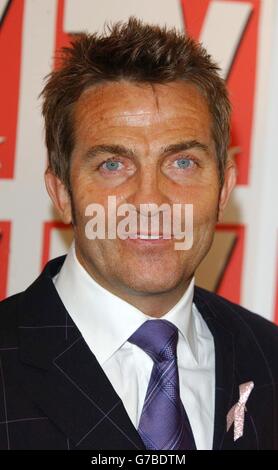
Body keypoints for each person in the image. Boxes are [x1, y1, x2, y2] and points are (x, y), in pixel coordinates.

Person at [0, 17, 277, 451]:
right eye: (113, 164)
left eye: (182, 163)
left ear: (223, 188)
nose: (150, 201)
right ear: (62, 193)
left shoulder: (270, 357)